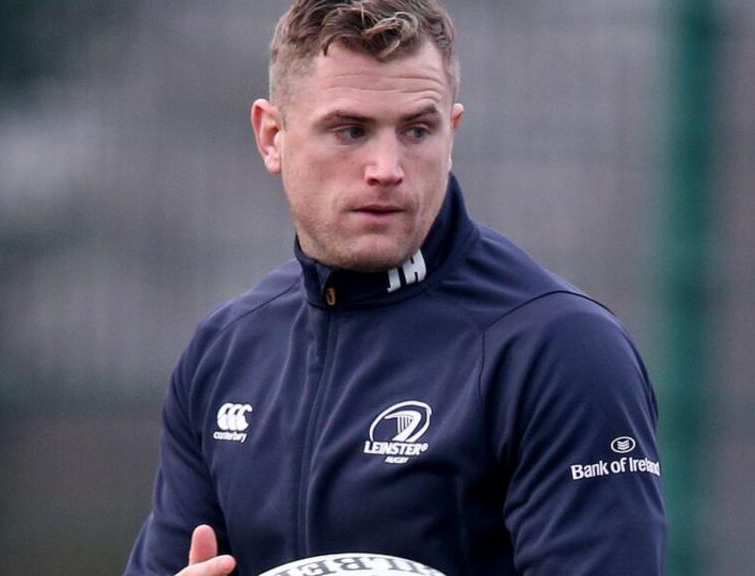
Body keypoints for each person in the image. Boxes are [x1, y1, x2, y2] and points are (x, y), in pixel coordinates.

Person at [124, 1, 666, 574]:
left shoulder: (559, 350)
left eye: (416, 130)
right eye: (350, 130)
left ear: (451, 134)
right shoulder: (225, 352)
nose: (387, 167)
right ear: (272, 136)